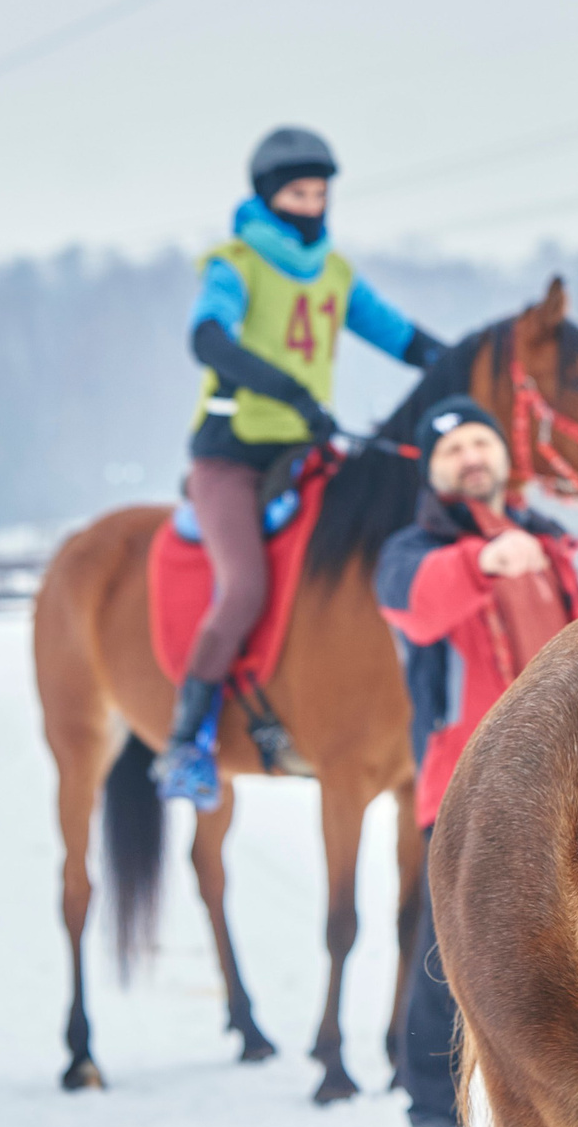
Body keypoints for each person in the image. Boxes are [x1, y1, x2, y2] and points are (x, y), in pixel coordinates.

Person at [154, 126, 446, 810]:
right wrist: (287, 391)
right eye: (297, 195)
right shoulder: (235, 264)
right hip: (231, 457)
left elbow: (400, 337)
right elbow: (208, 339)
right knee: (244, 586)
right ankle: (187, 738)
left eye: (320, 194)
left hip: (304, 454)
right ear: (267, 197)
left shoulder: (334, 273)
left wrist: (463, 363)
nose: (311, 207)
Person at [376, 396, 578, 1127]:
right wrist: (480, 560)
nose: (470, 457)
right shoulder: (410, 550)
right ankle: (430, 1112)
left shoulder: (548, 539)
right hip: (467, 787)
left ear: (503, 454)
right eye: (451, 450)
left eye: (479, 442)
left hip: (566, 776)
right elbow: (416, 605)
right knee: (452, 958)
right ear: (431, 471)